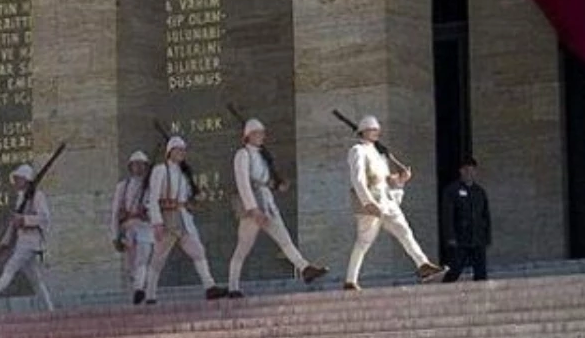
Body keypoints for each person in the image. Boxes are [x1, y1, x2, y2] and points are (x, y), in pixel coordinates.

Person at [344, 115, 447, 290]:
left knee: (404, 231)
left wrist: (401, 178)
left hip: (387, 200)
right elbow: (358, 179)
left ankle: (423, 265)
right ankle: (350, 280)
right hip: (373, 201)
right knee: (364, 241)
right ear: (364, 131)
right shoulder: (357, 150)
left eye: (377, 129)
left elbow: (387, 180)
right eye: (373, 129)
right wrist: (367, 202)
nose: (377, 132)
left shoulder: (378, 154)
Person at [227, 118, 329, 296]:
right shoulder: (242, 154)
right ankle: (233, 286)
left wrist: (277, 185)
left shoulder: (261, 155)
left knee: (284, 240)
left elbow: (264, 181)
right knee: (242, 248)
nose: (261, 136)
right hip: (253, 206)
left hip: (267, 202)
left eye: (262, 133)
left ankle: (304, 268)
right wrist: (253, 209)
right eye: (257, 133)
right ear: (248, 136)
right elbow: (243, 182)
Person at [144, 136, 223, 302]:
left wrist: (194, 201)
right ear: (169, 152)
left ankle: (210, 286)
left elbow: (185, 199)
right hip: (167, 218)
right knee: (159, 257)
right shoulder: (160, 170)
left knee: (198, 251)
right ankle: (150, 294)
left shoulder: (182, 174)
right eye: (177, 149)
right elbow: (152, 198)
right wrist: (157, 222)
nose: (181, 152)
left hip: (183, 218)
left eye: (183, 150)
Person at [0, 163, 54, 313]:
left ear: (25, 179)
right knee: (36, 280)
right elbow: (14, 223)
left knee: (9, 269)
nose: (15, 182)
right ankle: (50, 310)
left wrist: (24, 220)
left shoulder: (37, 196)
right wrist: (5, 243)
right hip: (24, 243)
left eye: (18, 179)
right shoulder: (22, 197)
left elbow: (44, 218)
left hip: (31, 243)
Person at [110, 150, 156, 305]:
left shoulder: (151, 186)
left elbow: (154, 207)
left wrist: (146, 211)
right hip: (129, 228)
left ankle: (140, 291)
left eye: (142, 165)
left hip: (145, 228)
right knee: (131, 267)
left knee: (143, 261)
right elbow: (116, 212)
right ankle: (137, 293)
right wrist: (115, 236)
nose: (138, 168)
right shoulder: (123, 186)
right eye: (135, 165)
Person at [441, 156, 491, 282]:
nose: (469, 173)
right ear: (461, 171)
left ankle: (481, 296)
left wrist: (487, 236)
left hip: (477, 238)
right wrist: (450, 237)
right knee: (455, 269)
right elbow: (447, 216)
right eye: (466, 170)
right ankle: (445, 290)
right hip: (460, 239)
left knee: (481, 271)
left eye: (472, 170)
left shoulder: (479, 192)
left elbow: (485, 215)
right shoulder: (452, 191)